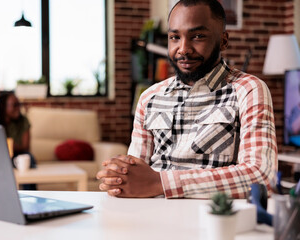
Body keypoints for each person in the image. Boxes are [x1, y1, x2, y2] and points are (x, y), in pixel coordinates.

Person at [96, 0, 277, 199]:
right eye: (175, 37)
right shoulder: (149, 97)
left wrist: (162, 183)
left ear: (224, 41)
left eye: (197, 36)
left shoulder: (248, 90)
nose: (183, 49)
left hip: (214, 220)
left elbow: (261, 177)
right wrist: (118, 177)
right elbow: (136, 175)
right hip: (150, 217)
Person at [0, 92, 37, 190]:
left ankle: (31, 196)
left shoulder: (23, 121)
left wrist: (9, 145)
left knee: (29, 158)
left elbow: (25, 147)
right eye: (14, 105)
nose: (18, 108)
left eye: (19, 105)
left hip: (17, 155)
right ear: (3, 107)